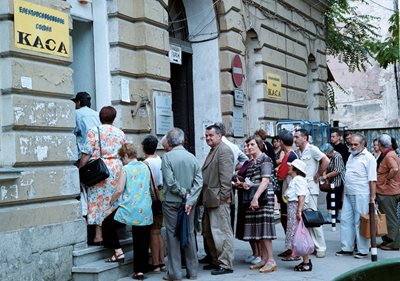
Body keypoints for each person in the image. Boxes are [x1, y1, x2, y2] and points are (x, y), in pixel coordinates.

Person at [102, 143, 153, 280]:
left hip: (129, 208)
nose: (122, 161)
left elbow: (119, 190)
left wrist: (111, 202)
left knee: (107, 225)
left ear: (125, 155)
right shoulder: (145, 166)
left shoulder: (126, 169)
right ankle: (139, 272)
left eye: (121, 158)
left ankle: (118, 252)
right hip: (145, 208)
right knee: (141, 241)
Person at [80, 106, 126, 245]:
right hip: (117, 168)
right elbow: (124, 154)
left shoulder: (94, 131)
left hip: (100, 170)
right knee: (112, 200)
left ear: (100, 117)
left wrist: (81, 169)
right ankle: (112, 232)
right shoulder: (120, 133)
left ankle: (98, 235)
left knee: (97, 201)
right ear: (114, 118)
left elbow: (86, 154)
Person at [161, 128, 203, 281]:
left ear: (170, 141)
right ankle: (192, 272)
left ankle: (175, 273)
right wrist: (190, 199)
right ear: (183, 140)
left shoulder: (167, 157)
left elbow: (170, 182)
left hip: (172, 201)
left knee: (173, 236)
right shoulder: (192, 157)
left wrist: (183, 193)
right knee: (190, 233)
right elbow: (199, 183)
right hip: (188, 203)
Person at [335, 133, 377, 259]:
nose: (352, 146)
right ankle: (346, 248)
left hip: (362, 194)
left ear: (362, 144)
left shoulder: (369, 158)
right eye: (350, 144)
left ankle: (363, 250)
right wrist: (344, 194)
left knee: (360, 222)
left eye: (355, 144)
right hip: (348, 193)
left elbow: (372, 180)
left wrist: (372, 198)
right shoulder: (351, 156)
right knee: (345, 220)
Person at [201, 124, 234, 275]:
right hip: (210, 199)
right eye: (206, 135)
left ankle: (225, 263)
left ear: (219, 136)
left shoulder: (224, 151)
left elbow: (226, 178)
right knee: (209, 232)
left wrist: (223, 197)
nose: (208, 138)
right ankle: (216, 260)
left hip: (218, 199)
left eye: (211, 135)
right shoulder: (214, 150)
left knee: (221, 232)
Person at [242, 135, 277, 273]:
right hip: (255, 198)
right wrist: (245, 185)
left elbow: (265, 181)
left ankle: (271, 260)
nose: (249, 147)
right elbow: (253, 180)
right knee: (260, 231)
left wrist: (255, 197)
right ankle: (263, 259)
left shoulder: (265, 159)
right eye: (248, 145)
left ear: (259, 145)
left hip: (263, 199)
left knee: (265, 231)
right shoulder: (254, 161)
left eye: (252, 144)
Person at [294, 129, 329, 258]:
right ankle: (312, 245)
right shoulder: (298, 152)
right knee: (306, 218)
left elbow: (326, 160)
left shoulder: (312, 149)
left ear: (305, 138)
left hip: (311, 186)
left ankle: (321, 247)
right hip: (302, 187)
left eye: (297, 137)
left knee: (314, 218)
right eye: (294, 137)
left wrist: (318, 174)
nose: (295, 139)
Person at [233, 142, 261, 265]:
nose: (246, 148)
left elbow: (258, 180)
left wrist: (243, 183)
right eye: (244, 146)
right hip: (243, 196)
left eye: (249, 146)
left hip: (251, 196)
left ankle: (259, 254)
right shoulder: (245, 163)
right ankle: (255, 253)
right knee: (247, 227)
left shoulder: (258, 162)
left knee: (253, 227)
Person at [141, 135, 166, 272]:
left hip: (151, 198)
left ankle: (156, 263)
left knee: (153, 232)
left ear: (144, 147)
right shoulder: (160, 160)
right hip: (162, 196)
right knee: (159, 232)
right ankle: (161, 261)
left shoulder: (145, 163)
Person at [284, 159, 312, 271]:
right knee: (298, 234)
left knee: (300, 235)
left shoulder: (299, 179)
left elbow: (301, 195)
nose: (289, 168)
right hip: (294, 208)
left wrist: (299, 210)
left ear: (296, 169)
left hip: (295, 208)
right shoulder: (296, 179)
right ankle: (305, 261)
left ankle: (306, 262)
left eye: (291, 166)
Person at [276, 130, 299, 258]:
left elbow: (281, 175)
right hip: (288, 192)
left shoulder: (289, 155)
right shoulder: (292, 154)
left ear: (281, 142)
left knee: (290, 222)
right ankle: (290, 247)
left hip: (289, 193)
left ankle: (293, 249)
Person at [376, 134, 400, 251]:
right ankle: (388, 241)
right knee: (386, 217)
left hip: (388, 192)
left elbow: (395, 169)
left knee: (390, 218)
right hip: (387, 191)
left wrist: (388, 179)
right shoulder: (390, 154)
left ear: (380, 144)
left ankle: (393, 243)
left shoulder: (389, 156)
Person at [320, 143, 346, 222]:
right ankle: (332, 215)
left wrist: (326, 176)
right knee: (330, 197)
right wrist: (324, 174)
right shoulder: (328, 157)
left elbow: (337, 171)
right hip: (331, 180)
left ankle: (334, 216)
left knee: (335, 198)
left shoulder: (337, 156)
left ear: (330, 152)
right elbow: (325, 167)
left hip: (338, 180)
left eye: (326, 154)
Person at [72, 91, 100, 161]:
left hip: (83, 155)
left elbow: (72, 133)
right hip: (97, 154)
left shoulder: (76, 113)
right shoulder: (97, 114)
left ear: (78, 102)